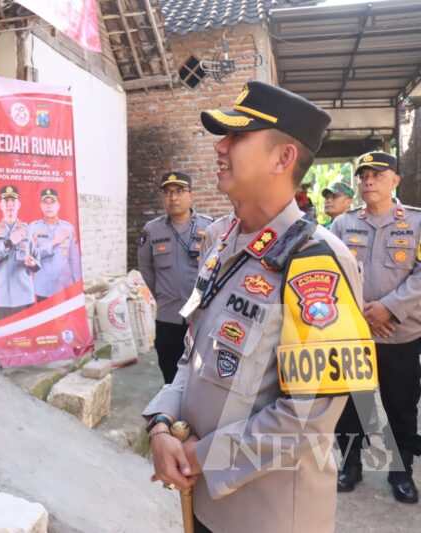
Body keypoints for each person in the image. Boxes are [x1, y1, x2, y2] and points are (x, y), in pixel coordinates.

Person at [144, 81, 377, 533]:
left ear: (283, 158)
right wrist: (160, 423)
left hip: (267, 516)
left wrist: (198, 456)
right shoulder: (221, 240)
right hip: (203, 499)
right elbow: (194, 355)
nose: (220, 147)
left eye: (237, 137)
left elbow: (308, 416)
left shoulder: (317, 262)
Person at [330, 150, 421, 503]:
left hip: (399, 335)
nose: (368, 180)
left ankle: (401, 473)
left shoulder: (415, 223)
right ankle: (350, 465)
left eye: (377, 174)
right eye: (364, 174)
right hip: (353, 334)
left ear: (395, 179)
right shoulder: (342, 225)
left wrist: (389, 308)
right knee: (352, 405)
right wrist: (362, 315)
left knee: (400, 406)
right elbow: (331, 276)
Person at [137, 172, 212, 384]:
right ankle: (170, 413)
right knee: (169, 373)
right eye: (168, 192)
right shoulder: (152, 230)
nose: (173, 198)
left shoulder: (210, 227)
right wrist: (162, 295)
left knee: (200, 376)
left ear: (191, 195)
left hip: (201, 317)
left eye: (179, 191)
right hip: (168, 317)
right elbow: (146, 269)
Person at [0, 186, 38, 320]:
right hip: (2, 297)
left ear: (19, 205)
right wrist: (9, 242)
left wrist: (33, 263)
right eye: (6, 202)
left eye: (13, 202)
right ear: (0, 205)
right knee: (6, 338)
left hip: (24, 295)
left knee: (26, 336)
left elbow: (37, 260)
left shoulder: (28, 230)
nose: (10, 205)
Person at [29, 188, 82, 302]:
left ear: (58, 205)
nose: (49, 206)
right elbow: (31, 256)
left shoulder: (68, 228)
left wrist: (77, 284)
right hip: (43, 287)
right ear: (41, 206)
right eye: (45, 202)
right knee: (45, 318)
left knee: (64, 319)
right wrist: (54, 242)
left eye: (52, 202)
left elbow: (74, 260)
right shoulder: (33, 228)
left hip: (64, 286)